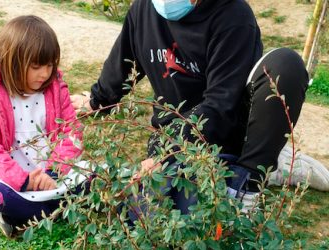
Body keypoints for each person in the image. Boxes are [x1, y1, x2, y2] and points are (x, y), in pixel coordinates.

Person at [71, 0, 313, 214]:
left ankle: (249, 180)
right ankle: (276, 164)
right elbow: (121, 66)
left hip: (230, 135)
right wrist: (96, 101)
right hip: (175, 139)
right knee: (169, 212)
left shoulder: (233, 16)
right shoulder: (144, 10)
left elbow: (220, 104)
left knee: (286, 66)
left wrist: (167, 153)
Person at [0, 15, 82, 237]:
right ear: (11, 62)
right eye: (36, 66)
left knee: (93, 175)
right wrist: (23, 180)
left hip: (51, 173)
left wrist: (54, 172)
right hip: (6, 176)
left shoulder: (55, 87)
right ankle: (56, 208)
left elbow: (71, 132)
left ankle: (26, 214)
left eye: (50, 65)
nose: (45, 73)